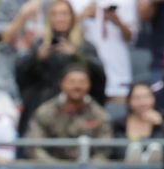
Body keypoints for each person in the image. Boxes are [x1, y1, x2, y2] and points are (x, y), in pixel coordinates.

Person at [15, 0, 105, 132]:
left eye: (64, 14)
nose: (60, 18)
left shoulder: (85, 46)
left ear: (72, 17)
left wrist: (76, 55)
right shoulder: (39, 44)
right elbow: (22, 76)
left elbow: (99, 76)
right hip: (43, 106)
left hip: (76, 108)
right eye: (55, 14)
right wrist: (37, 58)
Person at [24, 64, 112, 162]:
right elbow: (34, 147)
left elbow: (104, 149)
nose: (77, 86)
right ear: (61, 84)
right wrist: (56, 167)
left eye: (82, 82)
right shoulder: (45, 111)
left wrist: (89, 167)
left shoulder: (99, 114)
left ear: (89, 84)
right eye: (72, 82)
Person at [77, 0, 137, 102]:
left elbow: (131, 38)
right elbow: (69, 33)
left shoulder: (127, 2)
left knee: (119, 111)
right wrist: (82, 16)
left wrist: (117, 21)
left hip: (118, 69)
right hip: (90, 70)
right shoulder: (78, 3)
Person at [113, 82, 164, 163]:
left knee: (156, 146)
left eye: (146, 97)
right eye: (137, 98)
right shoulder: (119, 124)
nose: (142, 102)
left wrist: (160, 125)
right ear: (129, 101)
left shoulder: (161, 124)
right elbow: (115, 152)